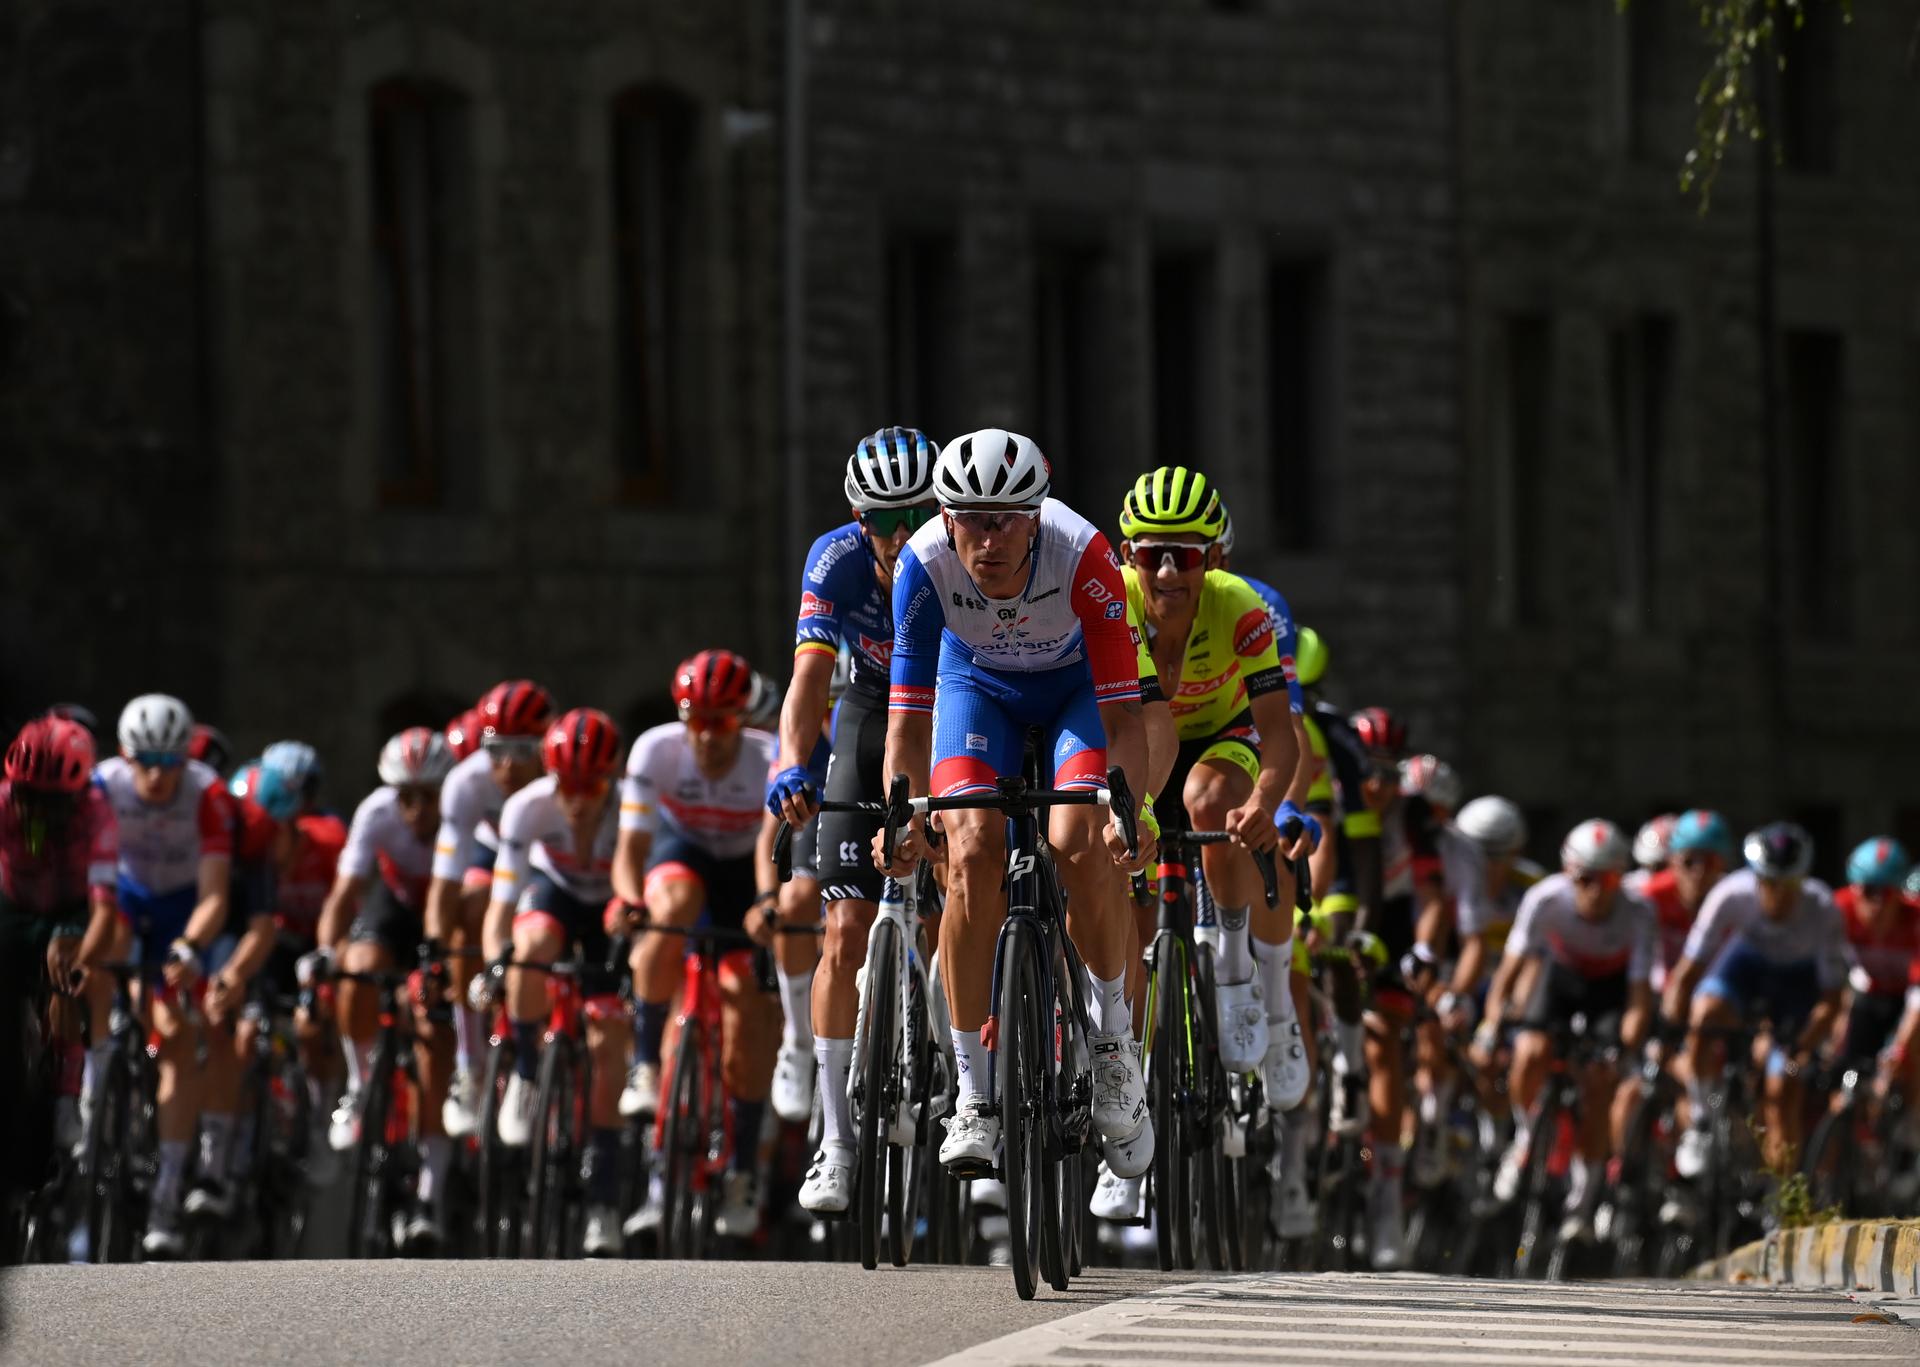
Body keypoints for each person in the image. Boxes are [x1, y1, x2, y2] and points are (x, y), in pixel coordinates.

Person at [875, 428, 1163, 1189]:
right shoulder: (921, 566)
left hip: (1076, 692)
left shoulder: (1086, 556)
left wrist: (1127, 812)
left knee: (1080, 840)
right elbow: (907, 723)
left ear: (1036, 518)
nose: (989, 537)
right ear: (945, 517)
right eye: (971, 519)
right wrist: (902, 817)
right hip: (977, 688)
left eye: (1006, 520)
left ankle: (1112, 1041)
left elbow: (1125, 720)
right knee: (971, 852)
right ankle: (974, 1092)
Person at [764, 427, 940, 1214]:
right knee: (841, 931)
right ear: (859, 519)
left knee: (958, 890)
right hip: (869, 707)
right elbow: (808, 680)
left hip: (952, 702)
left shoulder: (954, 556)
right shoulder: (834, 559)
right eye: (884, 520)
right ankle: (835, 1141)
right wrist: (789, 764)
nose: (901, 535)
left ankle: (962, 1060)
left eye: (917, 515)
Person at [1115, 467, 1319, 1110]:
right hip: (1142, 743)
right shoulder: (1113, 598)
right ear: (1128, 555)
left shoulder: (1243, 606)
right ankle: (1127, 1071)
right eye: (1152, 554)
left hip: (1223, 738)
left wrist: (1269, 806)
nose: (1167, 572)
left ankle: (1243, 979)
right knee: (1128, 895)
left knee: (1214, 805)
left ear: (1214, 559)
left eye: (1185, 556)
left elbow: (1283, 731)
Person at [613, 652, 783, 1241]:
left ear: (743, 718)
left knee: (744, 1003)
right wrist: (628, 901)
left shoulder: (767, 756)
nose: (708, 735)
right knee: (669, 909)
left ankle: (742, 1171)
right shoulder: (655, 751)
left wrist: (767, 904)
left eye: (723, 721)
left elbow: (773, 848)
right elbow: (631, 850)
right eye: (696, 720)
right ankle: (644, 1064)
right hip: (681, 854)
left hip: (743, 874)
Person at [480, 708, 629, 1255]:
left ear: (610, 779)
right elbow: (501, 906)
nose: (579, 800)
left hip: (610, 908)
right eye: (568, 785)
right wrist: (497, 961)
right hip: (556, 893)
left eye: (592, 786)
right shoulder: (528, 807)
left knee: (609, 1041)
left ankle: (604, 1199)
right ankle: (525, 1074)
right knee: (531, 946)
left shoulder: (632, 809)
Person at [94, 694, 235, 1257]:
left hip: (182, 908)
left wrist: (190, 945)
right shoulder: (104, 785)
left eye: (169, 762)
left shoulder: (208, 793)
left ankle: (167, 1193)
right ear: (124, 755)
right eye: (145, 762)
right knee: (98, 954)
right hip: (123, 899)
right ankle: (92, 1081)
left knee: (176, 1034)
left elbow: (215, 895)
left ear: (186, 758)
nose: (156, 775)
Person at [308, 727, 459, 1249]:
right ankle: (360, 1082)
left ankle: (431, 1191)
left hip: (446, 911)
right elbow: (344, 893)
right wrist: (325, 953)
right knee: (358, 966)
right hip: (395, 908)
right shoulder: (375, 813)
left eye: (428, 797)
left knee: (435, 1036)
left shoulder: (461, 816)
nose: (416, 810)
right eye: (405, 797)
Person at [1476, 818, 1654, 1240]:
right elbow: (1508, 972)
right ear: (1568, 873)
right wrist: (1491, 1023)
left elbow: (1638, 998)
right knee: (1530, 1051)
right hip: (1561, 981)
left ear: (1621, 877)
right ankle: (1525, 1137)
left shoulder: (1639, 912)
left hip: (1609, 991)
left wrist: (1625, 1047)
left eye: (1608, 880)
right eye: (1585, 879)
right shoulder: (1545, 898)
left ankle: (1583, 1200)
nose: (1596, 891)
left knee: (1599, 1083)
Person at [1664, 822, 1849, 1177]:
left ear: (1802, 881)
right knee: (1705, 1015)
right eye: (1768, 883)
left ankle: (1782, 1192)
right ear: (1755, 878)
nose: (1777, 894)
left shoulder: (1823, 909)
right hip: (1745, 967)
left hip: (1796, 986)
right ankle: (1701, 1122)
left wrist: (1801, 1046)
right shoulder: (1730, 895)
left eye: (1788, 885)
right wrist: (1672, 1027)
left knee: (1784, 1088)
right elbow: (1688, 972)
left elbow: (1831, 999)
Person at [426, 679, 555, 1137]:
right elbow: (444, 881)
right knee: (468, 908)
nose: (507, 765)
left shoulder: (561, 772)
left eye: (522, 751)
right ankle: (470, 1064)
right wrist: (434, 950)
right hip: (494, 852)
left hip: (547, 857)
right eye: (496, 750)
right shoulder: (467, 781)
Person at [1, 717, 121, 1176]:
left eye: (52, 803)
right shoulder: (3, 804)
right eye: (27, 797)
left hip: (73, 907)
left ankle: (67, 1096)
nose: (35, 812)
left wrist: (82, 961)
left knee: (64, 967)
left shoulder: (98, 814)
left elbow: (105, 907)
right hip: (16, 901)